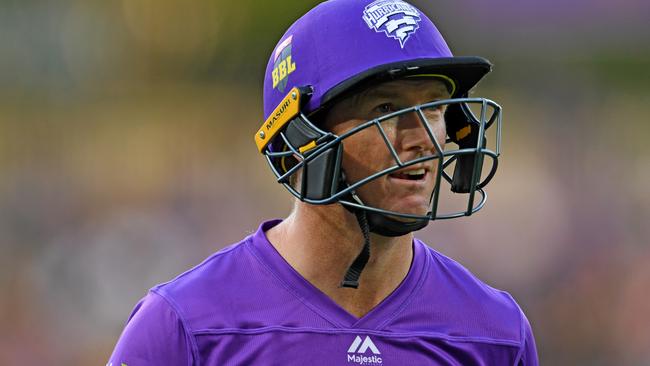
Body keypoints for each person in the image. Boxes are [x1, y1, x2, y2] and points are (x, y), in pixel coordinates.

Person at [108, 0, 539, 365]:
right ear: (301, 139)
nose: (422, 140)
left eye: (433, 108)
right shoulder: (187, 326)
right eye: (384, 107)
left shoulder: (495, 332)